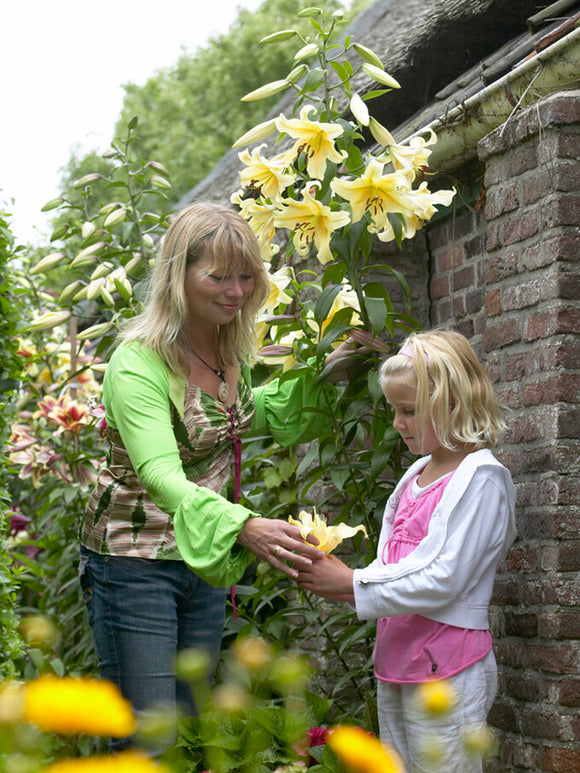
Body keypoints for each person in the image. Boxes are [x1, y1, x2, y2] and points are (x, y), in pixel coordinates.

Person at [79, 201, 348, 752]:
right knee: (150, 740)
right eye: (218, 276)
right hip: (133, 562)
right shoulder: (139, 363)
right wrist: (245, 525)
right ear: (179, 275)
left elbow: (255, 411)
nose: (236, 290)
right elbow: (158, 472)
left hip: (200, 557)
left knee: (189, 731)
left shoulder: (230, 351)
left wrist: (330, 363)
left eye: (247, 275)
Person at [297, 329, 517, 773]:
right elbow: (393, 567)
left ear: (452, 404)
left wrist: (353, 583)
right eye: (395, 410)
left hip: (449, 666)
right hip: (397, 659)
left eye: (409, 411)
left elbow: (445, 578)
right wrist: (338, 579)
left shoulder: (482, 478)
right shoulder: (416, 475)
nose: (397, 423)